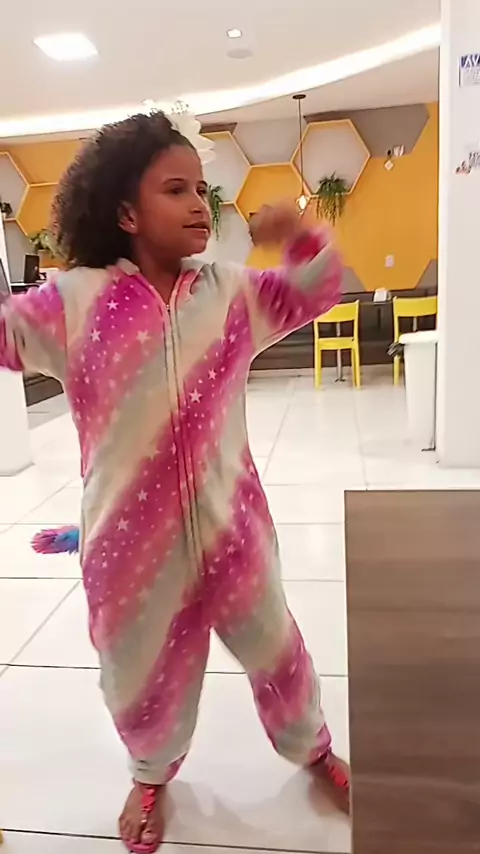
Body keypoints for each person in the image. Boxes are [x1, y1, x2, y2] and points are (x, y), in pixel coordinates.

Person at [0, 111, 349, 853]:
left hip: (235, 533)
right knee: (137, 678)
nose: (200, 204)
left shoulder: (230, 294)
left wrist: (299, 233)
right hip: (130, 554)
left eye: (201, 188)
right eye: (176, 189)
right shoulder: (71, 304)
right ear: (126, 213)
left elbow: (318, 288)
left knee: (279, 651)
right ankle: (151, 773)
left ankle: (314, 748)